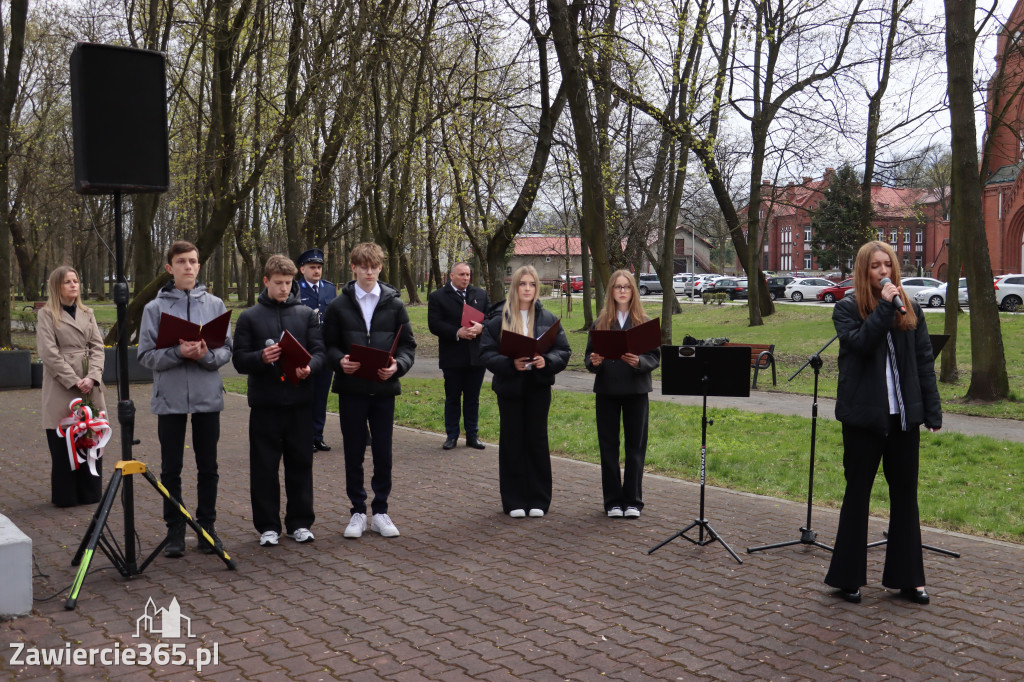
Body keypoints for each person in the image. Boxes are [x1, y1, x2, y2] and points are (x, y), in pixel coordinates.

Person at [824, 240, 942, 606]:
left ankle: (908, 579)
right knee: (857, 494)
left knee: (905, 496)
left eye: (887, 265)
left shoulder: (911, 309)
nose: (883, 272)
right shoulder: (847, 309)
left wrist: (932, 411)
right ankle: (848, 578)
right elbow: (859, 344)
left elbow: (924, 362)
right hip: (864, 419)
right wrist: (883, 311)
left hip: (904, 418)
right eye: (875, 266)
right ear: (864, 271)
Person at [138, 241, 232, 558]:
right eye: (181, 262)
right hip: (171, 398)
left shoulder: (216, 305)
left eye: (193, 261)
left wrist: (205, 355)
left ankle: (207, 528)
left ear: (198, 266)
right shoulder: (154, 308)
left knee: (209, 466)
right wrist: (179, 352)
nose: (188, 267)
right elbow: (146, 356)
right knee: (171, 468)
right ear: (169, 268)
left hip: (207, 397)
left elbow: (226, 351)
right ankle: (175, 529)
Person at [323, 242, 416, 539]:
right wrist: (339, 361)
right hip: (351, 389)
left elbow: (408, 346)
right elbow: (327, 346)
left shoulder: (395, 304)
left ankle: (381, 511)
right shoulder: (338, 306)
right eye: (363, 266)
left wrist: (397, 366)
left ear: (380, 267)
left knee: (383, 451)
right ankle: (357, 512)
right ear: (353, 267)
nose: (369, 271)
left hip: (383, 389)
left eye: (374, 266)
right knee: (353, 452)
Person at [232, 255, 324, 547]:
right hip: (265, 404)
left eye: (288, 283)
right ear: (266, 282)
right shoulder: (249, 317)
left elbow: (320, 351)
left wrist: (310, 368)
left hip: (299, 402)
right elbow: (238, 360)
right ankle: (268, 526)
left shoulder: (306, 315)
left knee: (300, 464)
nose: (284, 288)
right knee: (264, 467)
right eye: (278, 283)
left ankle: (300, 523)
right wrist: (260, 357)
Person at [479, 265, 571, 518]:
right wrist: (510, 364)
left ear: (537, 288)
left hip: (538, 388)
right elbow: (485, 353)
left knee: (537, 441)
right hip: (510, 388)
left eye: (531, 284)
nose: (527, 289)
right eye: (522, 284)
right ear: (515, 287)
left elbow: (563, 351)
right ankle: (514, 500)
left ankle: (539, 499)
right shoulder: (499, 320)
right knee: (512, 442)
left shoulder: (548, 318)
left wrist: (547, 361)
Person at [584, 270, 660, 519]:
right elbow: (589, 358)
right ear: (611, 292)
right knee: (608, 447)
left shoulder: (644, 322)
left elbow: (654, 358)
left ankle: (633, 502)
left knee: (635, 447)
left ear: (633, 291)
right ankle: (613, 502)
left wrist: (639, 361)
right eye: (618, 287)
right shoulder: (601, 322)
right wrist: (594, 361)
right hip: (607, 390)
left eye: (627, 287)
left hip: (636, 390)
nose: (622, 291)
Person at [36, 265, 107, 507]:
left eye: (76, 280)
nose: (74, 285)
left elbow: (98, 346)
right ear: (57, 286)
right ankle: (66, 495)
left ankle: (90, 492)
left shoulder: (88, 312)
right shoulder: (46, 314)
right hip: (62, 386)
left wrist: (93, 376)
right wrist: (74, 380)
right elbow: (48, 353)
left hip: (90, 381)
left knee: (91, 435)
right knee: (63, 437)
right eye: (68, 282)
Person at [427, 261, 490, 450]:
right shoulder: (438, 297)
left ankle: (472, 435)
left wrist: (482, 327)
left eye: (468, 275)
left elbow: (492, 317)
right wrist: (457, 332)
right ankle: (451, 435)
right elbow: (434, 324)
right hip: (452, 356)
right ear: (451, 276)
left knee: (473, 398)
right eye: (461, 274)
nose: (465, 278)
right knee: (453, 397)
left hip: (476, 356)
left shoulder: (480, 294)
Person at [297, 247, 337, 452]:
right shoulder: (296, 289)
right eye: (312, 267)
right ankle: (304, 436)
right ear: (302, 269)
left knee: (321, 395)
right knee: (305, 395)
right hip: (305, 350)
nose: (316, 271)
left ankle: (317, 435)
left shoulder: (330, 289)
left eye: (319, 267)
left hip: (326, 350)